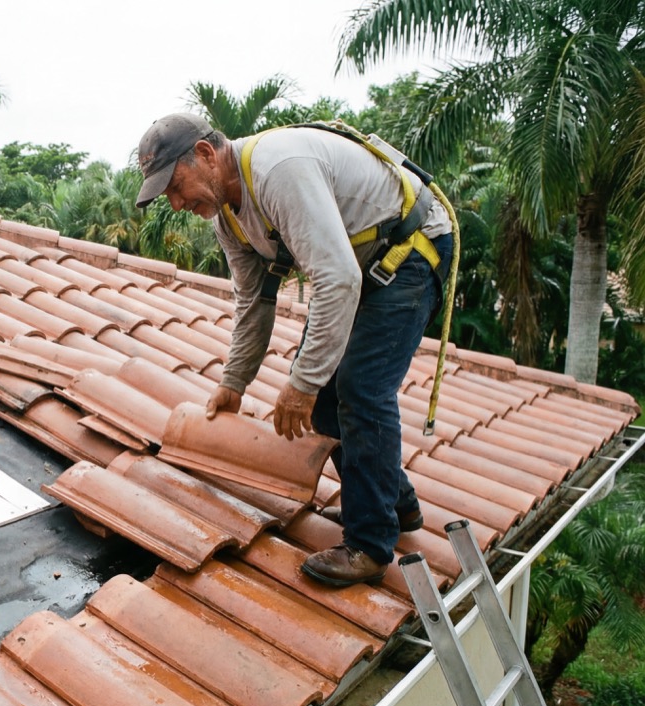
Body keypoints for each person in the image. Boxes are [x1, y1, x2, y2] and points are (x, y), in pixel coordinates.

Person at [135, 112, 454, 587]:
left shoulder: (277, 171)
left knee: (359, 389)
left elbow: (338, 280)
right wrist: (233, 382)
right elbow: (254, 301)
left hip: (412, 246)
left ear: (205, 154)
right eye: (167, 196)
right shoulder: (230, 220)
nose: (177, 204)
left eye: (176, 187)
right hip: (358, 264)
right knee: (324, 406)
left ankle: (369, 544)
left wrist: (301, 383)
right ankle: (396, 501)